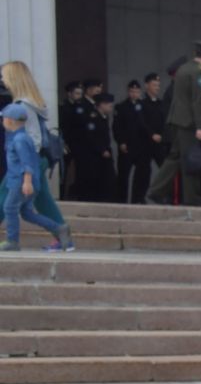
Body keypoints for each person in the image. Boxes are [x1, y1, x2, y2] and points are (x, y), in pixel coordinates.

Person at [0, 61, 68, 236]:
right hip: (36, 159)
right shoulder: (32, 103)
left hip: (27, 160)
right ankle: (62, 234)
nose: (3, 81)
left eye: (4, 76)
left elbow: (33, 137)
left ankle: (61, 233)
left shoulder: (23, 106)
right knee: (43, 200)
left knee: (4, 197)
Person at [146, 43, 201, 206]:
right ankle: (192, 198)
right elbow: (197, 101)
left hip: (176, 120)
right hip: (188, 123)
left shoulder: (183, 69)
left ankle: (156, 190)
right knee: (189, 159)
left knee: (174, 157)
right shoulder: (199, 73)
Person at [3, 102, 72, 252]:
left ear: (10, 120)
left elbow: (26, 162)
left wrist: (27, 182)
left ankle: (12, 241)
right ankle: (59, 228)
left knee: (9, 208)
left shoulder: (19, 140)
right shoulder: (23, 137)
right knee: (27, 213)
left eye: (3, 119)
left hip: (20, 182)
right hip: (26, 182)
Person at [115, 79, 153, 202]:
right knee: (123, 175)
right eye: (132, 91)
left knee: (142, 174)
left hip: (142, 146)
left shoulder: (145, 106)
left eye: (136, 91)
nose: (134, 94)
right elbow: (117, 127)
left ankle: (138, 198)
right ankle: (122, 199)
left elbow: (149, 125)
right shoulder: (121, 107)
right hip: (127, 145)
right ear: (128, 92)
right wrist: (121, 142)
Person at [76, 91, 117, 201]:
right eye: (108, 105)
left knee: (109, 179)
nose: (110, 107)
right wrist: (101, 150)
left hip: (105, 154)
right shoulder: (93, 117)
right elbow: (91, 137)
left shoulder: (104, 117)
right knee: (95, 180)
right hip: (95, 155)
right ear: (101, 104)